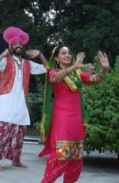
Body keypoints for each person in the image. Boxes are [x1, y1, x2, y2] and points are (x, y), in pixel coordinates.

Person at [39, 45, 110, 183]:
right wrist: (75, 66)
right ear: (56, 58)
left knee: (75, 157)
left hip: (76, 120)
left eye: (69, 53)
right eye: (63, 53)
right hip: (62, 119)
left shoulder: (76, 74)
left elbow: (94, 79)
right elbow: (56, 77)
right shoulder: (53, 71)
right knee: (61, 155)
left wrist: (105, 69)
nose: (67, 55)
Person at [0, 27, 48, 171]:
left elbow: (47, 68)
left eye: (20, 44)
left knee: (19, 133)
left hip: (20, 103)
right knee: (1, 132)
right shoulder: (6, 61)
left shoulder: (28, 64)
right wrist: (3, 54)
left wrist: (40, 54)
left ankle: (16, 160)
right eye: (15, 44)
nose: (18, 46)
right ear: (10, 46)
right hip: (7, 101)